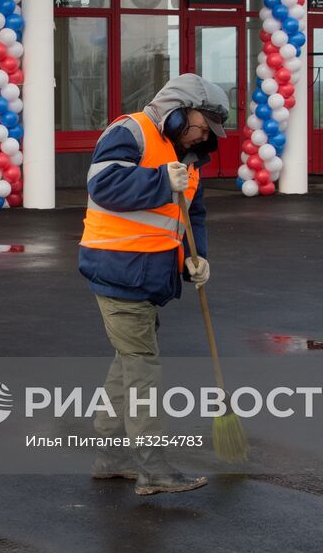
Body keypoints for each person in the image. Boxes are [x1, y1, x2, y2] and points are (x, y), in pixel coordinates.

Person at [78, 73, 230, 495]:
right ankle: (153, 468)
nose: (203, 136)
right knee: (143, 369)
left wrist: (194, 260)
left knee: (127, 363)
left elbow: (190, 215)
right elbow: (103, 185)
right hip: (117, 268)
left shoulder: (189, 155)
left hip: (147, 274)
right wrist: (163, 180)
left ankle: (111, 458)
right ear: (179, 112)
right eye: (201, 125)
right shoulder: (131, 131)